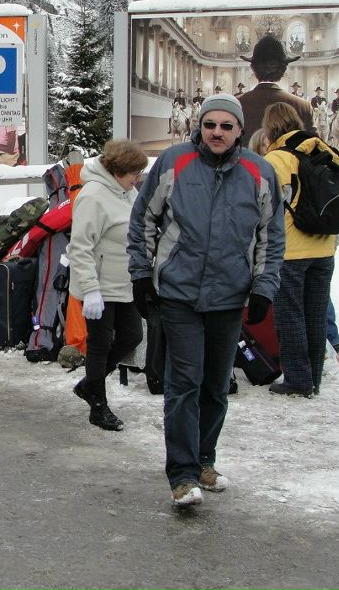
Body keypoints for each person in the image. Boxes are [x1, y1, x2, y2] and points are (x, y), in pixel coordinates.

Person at [128, 93, 284, 507]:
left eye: (226, 126)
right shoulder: (174, 162)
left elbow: (271, 237)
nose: (217, 132)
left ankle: (203, 461)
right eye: (210, 124)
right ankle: (181, 474)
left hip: (229, 298)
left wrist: (264, 288)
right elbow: (143, 219)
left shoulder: (260, 172)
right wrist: (142, 275)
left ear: (239, 131)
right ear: (199, 126)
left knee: (216, 386)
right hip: (178, 294)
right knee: (184, 383)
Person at [262, 103, 339, 398]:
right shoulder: (324, 152)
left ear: (271, 127)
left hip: (291, 250)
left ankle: (297, 380)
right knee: (316, 314)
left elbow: (269, 204)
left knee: (290, 316)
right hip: (324, 246)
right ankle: (314, 379)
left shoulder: (276, 159)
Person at [68, 139, 147, 431]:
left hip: (123, 283)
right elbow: (80, 247)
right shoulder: (93, 196)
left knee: (132, 336)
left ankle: (90, 383)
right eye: (134, 174)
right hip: (99, 287)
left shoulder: (126, 192)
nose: (137, 179)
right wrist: (90, 290)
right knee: (99, 345)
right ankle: (98, 407)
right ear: (117, 171)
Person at [238, 36, 314, 136]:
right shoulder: (303, 106)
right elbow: (313, 146)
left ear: (253, 68)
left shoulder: (237, 103)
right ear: (283, 70)